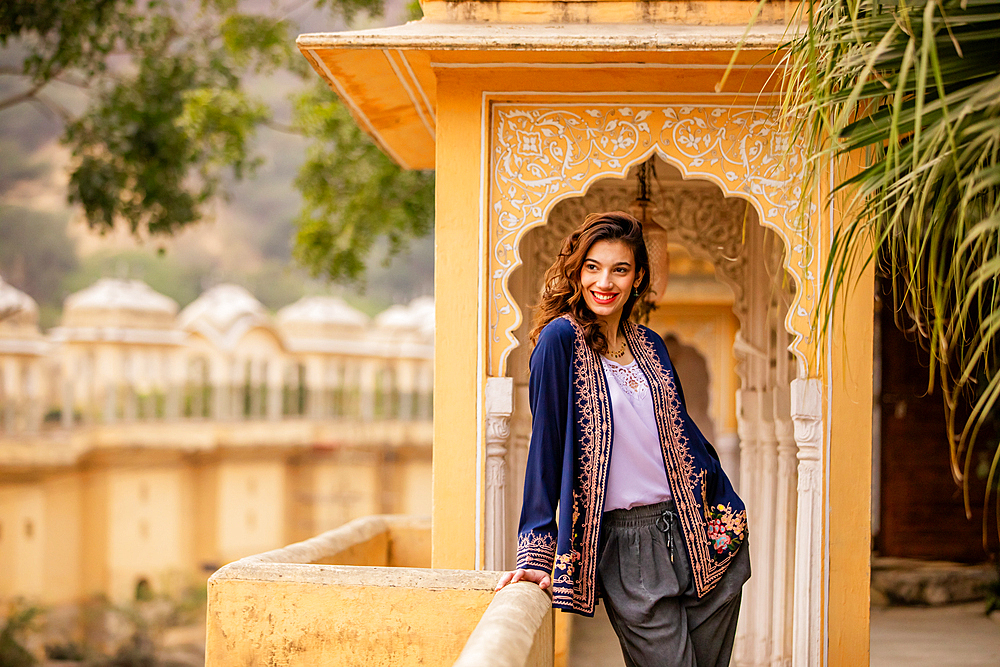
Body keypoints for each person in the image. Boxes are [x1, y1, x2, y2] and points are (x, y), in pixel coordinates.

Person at [494, 211, 750, 667]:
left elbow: (682, 433)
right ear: (577, 270)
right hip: (627, 546)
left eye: (620, 269)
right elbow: (545, 446)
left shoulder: (650, 344)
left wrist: (728, 504)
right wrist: (536, 546)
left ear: (637, 278)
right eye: (593, 266)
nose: (604, 281)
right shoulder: (559, 342)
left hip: (698, 528)